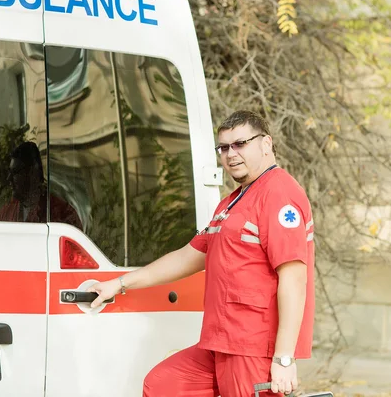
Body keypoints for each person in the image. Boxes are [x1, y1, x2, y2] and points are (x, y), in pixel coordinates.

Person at [88, 110, 315, 397]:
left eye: (240, 144)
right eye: (224, 147)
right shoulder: (229, 204)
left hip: (252, 346)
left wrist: (284, 358)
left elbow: (294, 280)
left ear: (266, 144)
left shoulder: (279, 194)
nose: (231, 154)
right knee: (162, 386)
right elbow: (187, 257)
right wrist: (119, 283)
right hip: (220, 342)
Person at [0, 141, 83, 230]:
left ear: (33, 173)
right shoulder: (6, 212)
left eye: (15, 172)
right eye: (10, 172)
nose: (9, 178)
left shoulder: (61, 213)